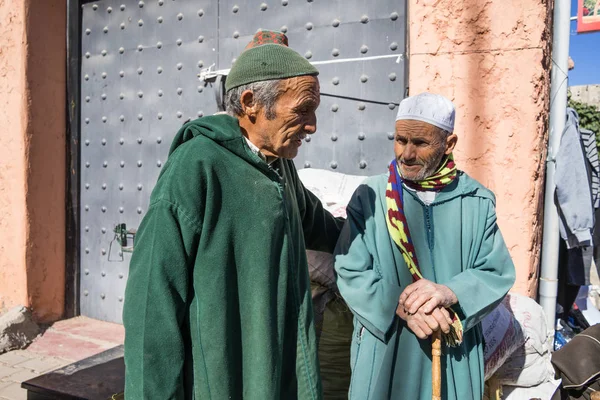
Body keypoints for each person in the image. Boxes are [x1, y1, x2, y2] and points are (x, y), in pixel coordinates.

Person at [123, 30, 343, 399]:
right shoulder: (196, 167)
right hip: (225, 377)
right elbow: (152, 303)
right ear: (250, 102)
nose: (312, 126)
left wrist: (387, 229)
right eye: (302, 110)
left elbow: (322, 227)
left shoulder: (277, 164)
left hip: (279, 365)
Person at [334, 93, 515, 399]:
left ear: (449, 144)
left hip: (450, 346)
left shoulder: (476, 201)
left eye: (419, 143)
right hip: (387, 340)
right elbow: (350, 267)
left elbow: (495, 270)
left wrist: (448, 292)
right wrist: (399, 304)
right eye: (400, 140)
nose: (406, 154)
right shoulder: (371, 196)